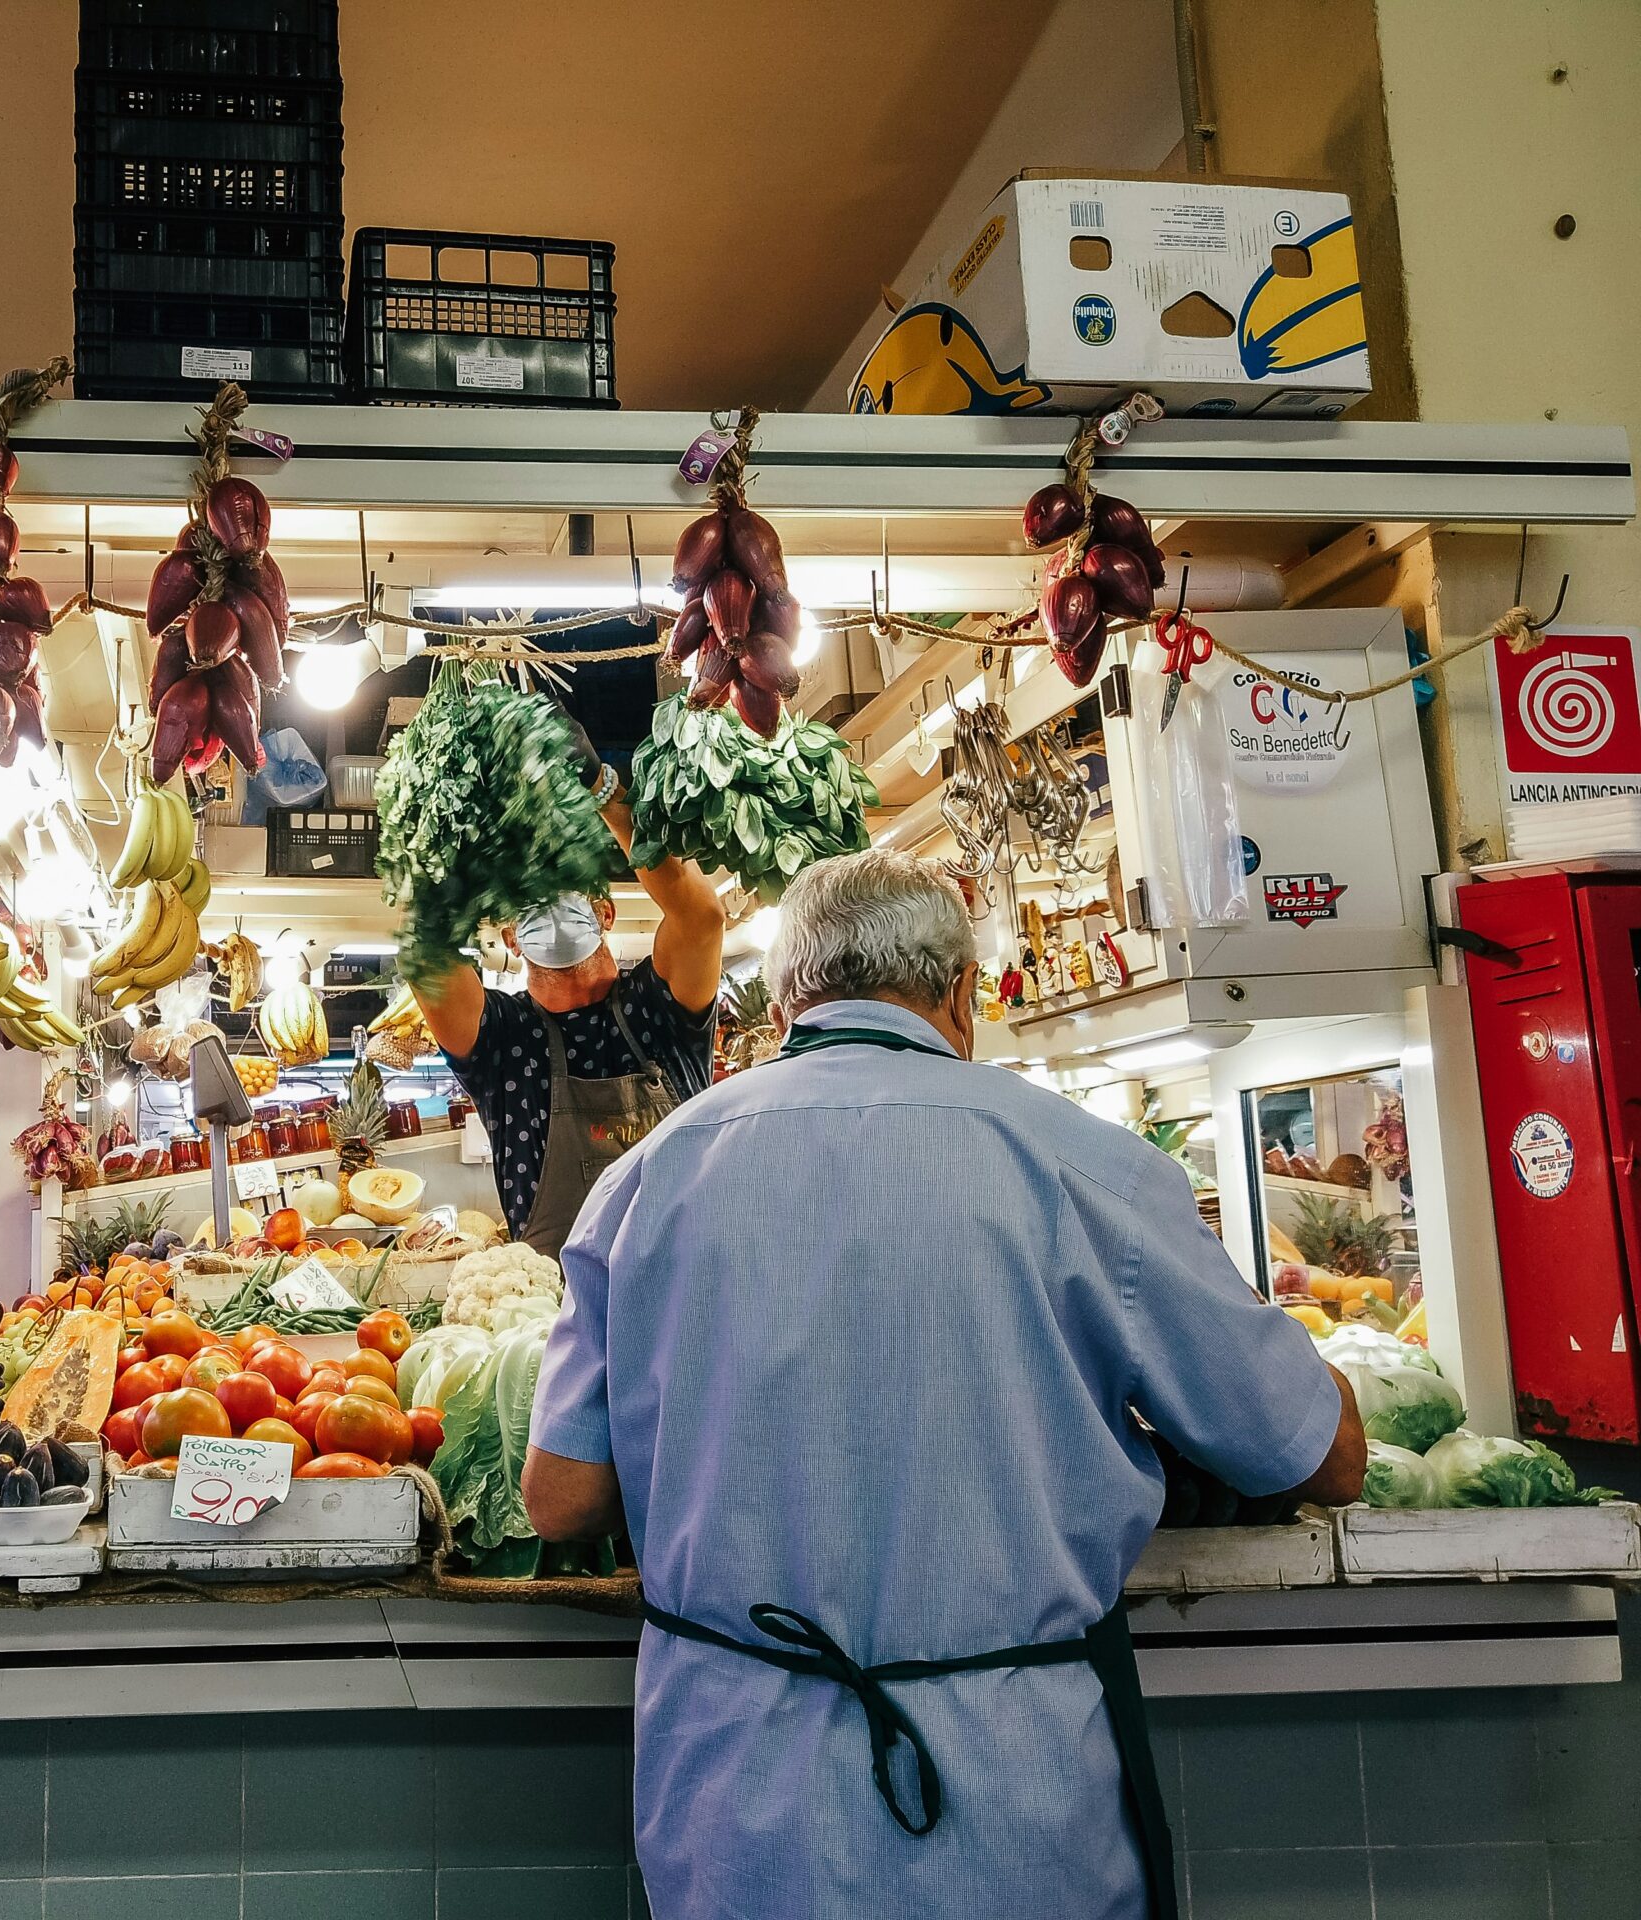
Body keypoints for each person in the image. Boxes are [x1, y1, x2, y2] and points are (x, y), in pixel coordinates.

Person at [522, 849, 1366, 1920]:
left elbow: (560, 1501)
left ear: (787, 1003)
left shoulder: (645, 1179)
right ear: (961, 994)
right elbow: (1317, 1457)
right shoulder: (1086, 1165)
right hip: (1010, 1805)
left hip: (733, 1802)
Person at [413, 721, 726, 1254]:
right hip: (559, 1314)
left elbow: (703, 919)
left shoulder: (660, 1006)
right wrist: (454, 822)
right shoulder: (499, 1039)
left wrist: (604, 789)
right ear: (510, 937)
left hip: (689, 1296)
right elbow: (424, 954)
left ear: (604, 912)